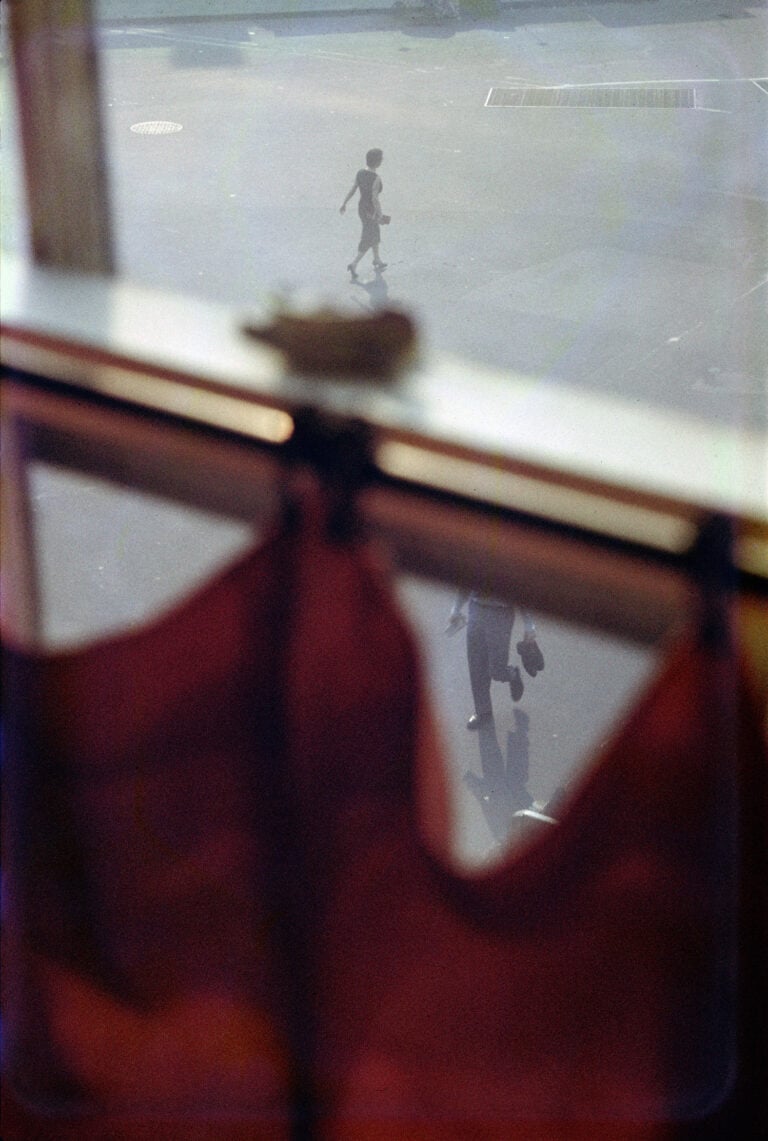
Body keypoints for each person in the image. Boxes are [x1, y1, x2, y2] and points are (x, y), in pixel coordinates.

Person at [446, 589, 544, 730]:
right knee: (476, 665)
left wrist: (529, 625)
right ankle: (483, 712)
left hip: (501, 613)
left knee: (496, 669)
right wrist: (455, 608)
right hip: (476, 608)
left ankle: (512, 674)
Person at [340, 148, 387, 279]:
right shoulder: (376, 178)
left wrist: (344, 203)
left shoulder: (360, 173)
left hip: (361, 208)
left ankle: (377, 259)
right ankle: (354, 264)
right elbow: (374, 199)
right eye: (381, 158)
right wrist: (380, 214)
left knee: (374, 232)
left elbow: (353, 188)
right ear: (377, 162)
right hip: (371, 210)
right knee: (369, 236)